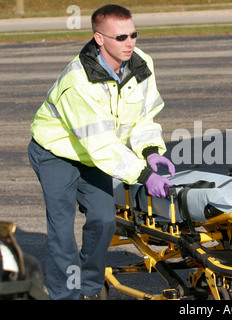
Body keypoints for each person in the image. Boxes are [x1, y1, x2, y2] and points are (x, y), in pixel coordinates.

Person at [28, 4, 175, 300]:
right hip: (57, 153)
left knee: (104, 220)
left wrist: (150, 151)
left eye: (134, 34)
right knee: (62, 231)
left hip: (95, 154)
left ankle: (91, 289)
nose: (130, 42)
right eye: (121, 37)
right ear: (99, 39)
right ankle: (67, 295)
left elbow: (143, 117)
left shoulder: (141, 63)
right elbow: (101, 145)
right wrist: (144, 175)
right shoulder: (78, 83)